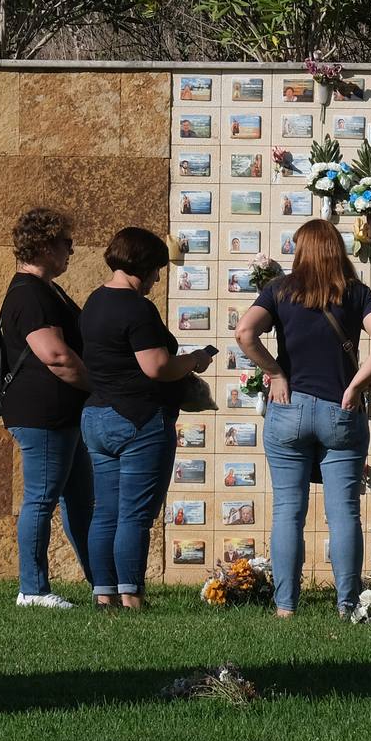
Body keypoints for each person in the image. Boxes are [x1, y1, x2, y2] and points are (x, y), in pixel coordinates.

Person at [235, 218, 371, 617]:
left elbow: (244, 333)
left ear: (302, 251)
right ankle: (347, 605)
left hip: (289, 408)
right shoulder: (356, 293)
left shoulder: (278, 290)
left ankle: (286, 606)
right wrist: (358, 384)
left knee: (288, 509)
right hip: (340, 410)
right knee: (343, 511)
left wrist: (275, 372)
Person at [79, 227, 213, 610]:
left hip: (97, 416)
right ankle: (131, 595)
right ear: (143, 265)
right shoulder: (136, 307)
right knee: (135, 515)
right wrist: (193, 360)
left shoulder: (94, 301)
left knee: (105, 511)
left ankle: (103, 594)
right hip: (138, 419)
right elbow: (156, 367)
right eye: (157, 269)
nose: (158, 277)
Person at [0, 208, 93, 609]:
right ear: (43, 245)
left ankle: (104, 584)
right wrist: (101, 388)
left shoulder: (45, 290)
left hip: (62, 414)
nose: (71, 250)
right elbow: (55, 356)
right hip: (45, 414)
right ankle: (32, 589)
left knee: (80, 500)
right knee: (41, 498)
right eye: (64, 243)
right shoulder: (30, 294)